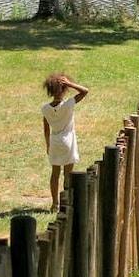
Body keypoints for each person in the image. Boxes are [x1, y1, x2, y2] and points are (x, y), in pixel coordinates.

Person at [41, 73, 89, 212]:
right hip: (68, 140)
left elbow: (46, 129)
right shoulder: (68, 105)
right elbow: (85, 91)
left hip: (54, 141)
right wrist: (70, 84)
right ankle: (66, 202)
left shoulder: (45, 109)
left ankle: (54, 204)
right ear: (63, 90)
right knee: (68, 174)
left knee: (54, 173)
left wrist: (48, 145)